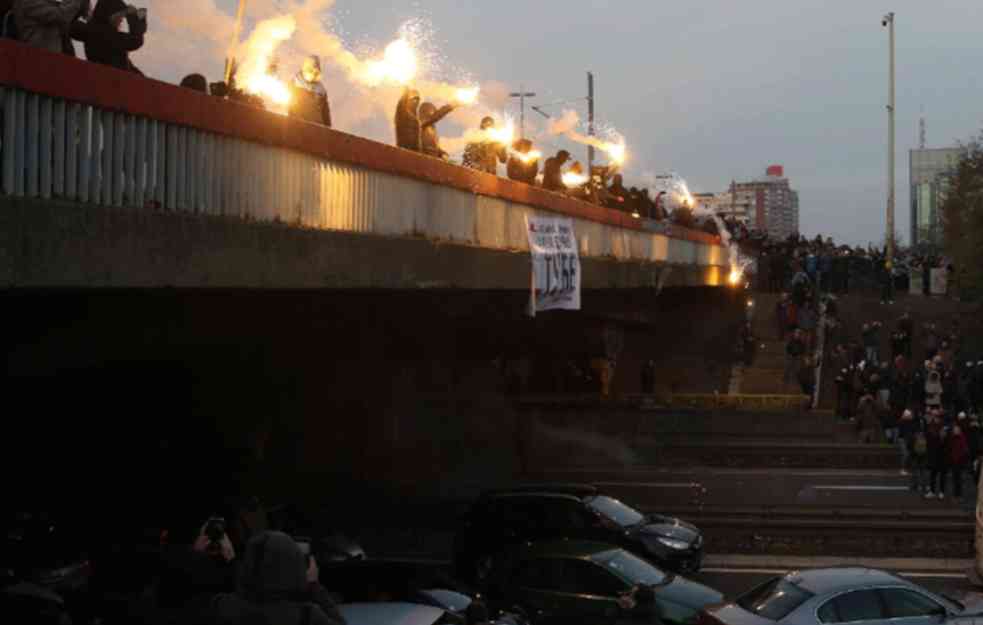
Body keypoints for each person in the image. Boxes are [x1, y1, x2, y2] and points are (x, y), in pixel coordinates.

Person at [213, 531, 346, 625]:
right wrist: (314, 585)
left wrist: (231, 562)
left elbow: (248, 587)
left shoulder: (223, 607)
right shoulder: (306, 615)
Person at [82, 0, 146, 74]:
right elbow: (136, 41)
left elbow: (129, 66)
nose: (121, 20)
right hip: (111, 78)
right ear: (110, 14)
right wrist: (133, 17)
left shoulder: (94, 30)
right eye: (120, 15)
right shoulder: (104, 34)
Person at [12, 0, 88, 54]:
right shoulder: (26, 2)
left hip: (56, 59)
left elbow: (69, 21)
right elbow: (61, 15)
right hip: (41, 60)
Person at [289, 56, 332, 127]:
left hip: (317, 126)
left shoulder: (321, 90)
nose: (314, 74)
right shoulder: (295, 83)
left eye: (316, 72)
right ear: (306, 69)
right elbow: (291, 107)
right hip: (299, 125)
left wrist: (328, 128)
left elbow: (325, 111)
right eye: (311, 71)